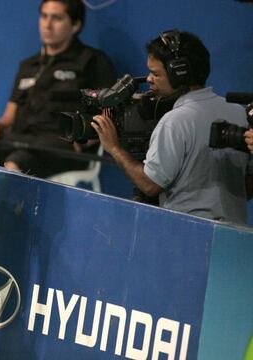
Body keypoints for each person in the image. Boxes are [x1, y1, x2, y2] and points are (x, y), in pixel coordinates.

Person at [92, 29, 252, 224]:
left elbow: (150, 185)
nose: (149, 79)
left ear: (180, 74)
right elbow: (247, 188)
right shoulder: (238, 111)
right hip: (235, 237)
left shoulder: (175, 120)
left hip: (189, 237)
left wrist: (114, 147)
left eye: (155, 73)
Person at [0, 0, 115, 178]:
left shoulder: (92, 61)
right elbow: (8, 117)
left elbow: (109, 115)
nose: (47, 25)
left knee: (16, 162)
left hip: (63, 147)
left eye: (57, 18)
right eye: (44, 16)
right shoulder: (28, 65)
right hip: (20, 141)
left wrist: (88, 138)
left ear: (75, 25)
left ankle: (12, 205)